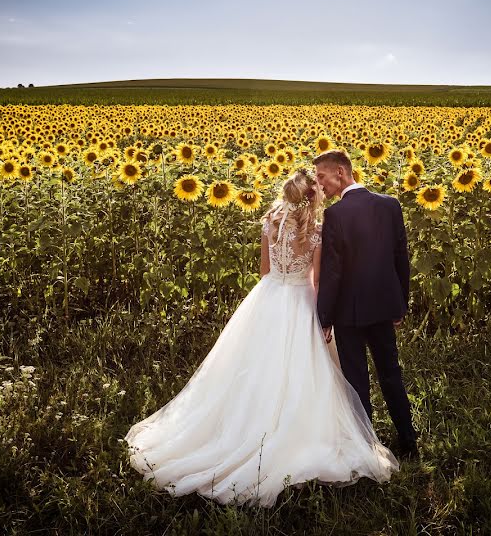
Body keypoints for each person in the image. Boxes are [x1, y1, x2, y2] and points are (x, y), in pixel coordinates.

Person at [125, 168, 398, 508]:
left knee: (252, 367)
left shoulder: (270, 221)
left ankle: (241, 427)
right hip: (300, 298)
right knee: (305, 370)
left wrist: (277, 287)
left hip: (267, 298)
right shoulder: (315, 231)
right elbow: (315, 280)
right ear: (313, 197)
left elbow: (265, 271)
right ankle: (300, 433)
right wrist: (323, 315)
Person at [313, 150, 419, 460]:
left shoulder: (336, 215)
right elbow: (401, 257)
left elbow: (332, 273)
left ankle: (366, 446)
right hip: (384, 307)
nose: (320, 184)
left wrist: (325, 317)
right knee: (391, 373)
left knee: (357, 378)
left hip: (349, 312)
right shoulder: (389, 205)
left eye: (322, 177)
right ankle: (409, 441)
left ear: (341, 174)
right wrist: (401, 303)